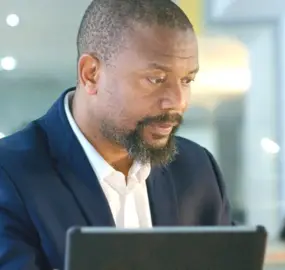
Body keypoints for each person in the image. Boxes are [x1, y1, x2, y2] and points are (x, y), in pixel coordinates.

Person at [0, 0, 233, 269]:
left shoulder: (197, 169)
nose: (178, 102)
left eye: (187, 80)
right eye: (156, 79)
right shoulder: (10, 175)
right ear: (91, 74)